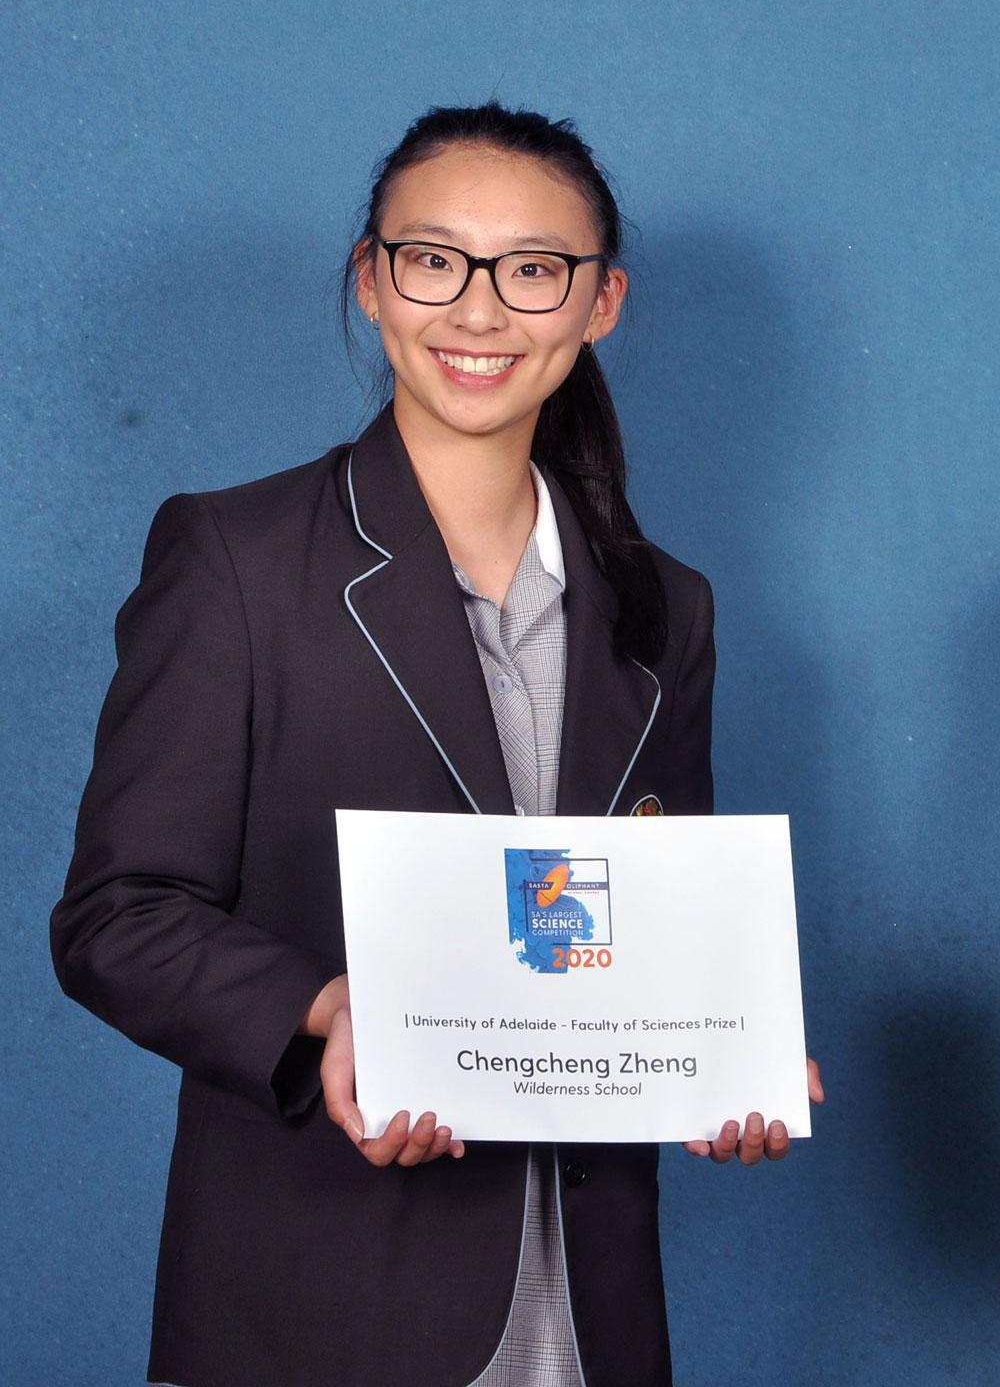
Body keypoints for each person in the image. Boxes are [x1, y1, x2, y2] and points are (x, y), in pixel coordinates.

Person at [51, 102, 822, 1387]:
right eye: (434, 260)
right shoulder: (234, 561)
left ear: (600, 304)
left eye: (532, 270)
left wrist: (720, 1051)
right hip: (316, 1303)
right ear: (371, 279)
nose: (478, 312)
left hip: (589, 1317)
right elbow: (117, 916)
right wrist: (329, 1007)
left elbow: (651, 923)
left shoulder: (662, 606)